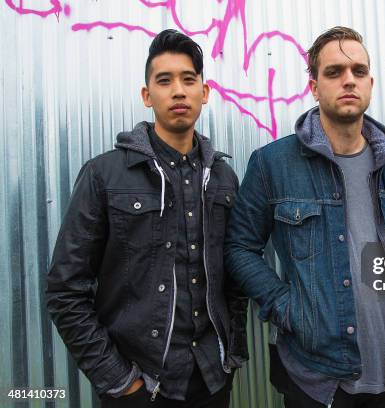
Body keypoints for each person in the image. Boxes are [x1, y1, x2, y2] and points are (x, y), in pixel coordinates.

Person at [46, 29, 248, 408]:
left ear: (204, 93)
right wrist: (119, 380)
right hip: (140, 383)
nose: (178, 91)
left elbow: (234, 280)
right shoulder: (104, 175)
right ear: (146, 95)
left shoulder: (223, 178)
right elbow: (65, 289)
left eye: (189, 79)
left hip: (212, 380)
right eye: (164, 80)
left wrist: (231, 354)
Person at [225, 26, 385, 408]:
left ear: (370, 82)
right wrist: (286, 307)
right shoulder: (272, 164)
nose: (348, 80)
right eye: (333, 72)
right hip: (317, 379)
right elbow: (239, 247)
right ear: (314, 86)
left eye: (358, 71)